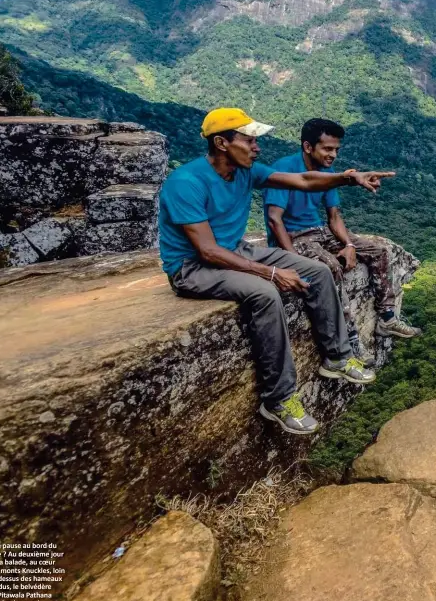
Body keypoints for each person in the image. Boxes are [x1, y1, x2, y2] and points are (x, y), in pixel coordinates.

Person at [159, 107, 395, 436]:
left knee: (316, 271)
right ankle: (279, 398)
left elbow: (301, 180)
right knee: (265, 294)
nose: (257, 148)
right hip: (192, 267)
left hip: (234, 249)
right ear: (222, 143)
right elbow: (207, 250)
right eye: (249, 140)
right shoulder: (186, 182)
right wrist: (269, 272)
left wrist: (347, 178)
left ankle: (338, 357)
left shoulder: (245, 172)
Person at [263, 118, 421, 362]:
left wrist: (348, 245)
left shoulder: (326, 174)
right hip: (295, 236)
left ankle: (387, 318)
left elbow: (333, 216)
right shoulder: (283, 170)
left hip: (319, 231)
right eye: (327, 149)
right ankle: (350, 338)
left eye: (336, 149)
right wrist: (291, 258)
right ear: (308, 147)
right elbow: (275, 220)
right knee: (331, 267)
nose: (333, 155)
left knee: (378, 252)